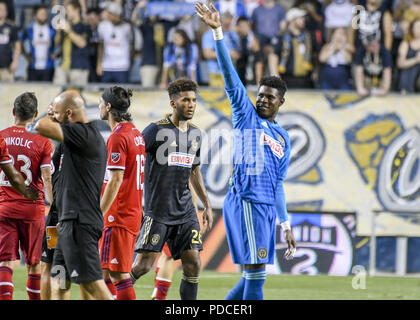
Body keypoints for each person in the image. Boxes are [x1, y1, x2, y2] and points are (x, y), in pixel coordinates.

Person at [195, 2, 296, 300]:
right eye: (260, 95)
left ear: (280, 102)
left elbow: (278, 184)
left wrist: (285, 223)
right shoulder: (245, 115)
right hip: (247, 200)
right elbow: (230, 77)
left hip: (266, 206)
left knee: (252, 277)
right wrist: (218, 33)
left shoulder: (283, 137)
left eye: (270, 98)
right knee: (257, 276)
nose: (263, 100)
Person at [130, 78, 214, 300]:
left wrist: (206, 204)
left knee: (193, 263)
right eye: (185, 100)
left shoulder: (196, 134)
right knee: (143, 265)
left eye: (194, 100)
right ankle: (111, 294)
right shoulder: (154, 130)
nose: (191, 104)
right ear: (173, 103)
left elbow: (194, 170)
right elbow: (133, 161)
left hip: (185, 211)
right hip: (158, 211)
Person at [34, 90, 113, 300]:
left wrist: (50, 115)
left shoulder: (83, 133)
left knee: (92, 284)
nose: (55, 118)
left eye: (58, 114)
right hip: (67, 222)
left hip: (80, 223)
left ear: (69, 113)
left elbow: (40, 126)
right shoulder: (80, 138)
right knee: (61, 282)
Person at [0, 92, 53, 300]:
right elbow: (47, 177)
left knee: (5, 263)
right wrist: (54, 203)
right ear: (36, 114)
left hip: (5, 207)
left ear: (13, 112)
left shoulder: (2, 136)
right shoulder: (43, 142)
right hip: (33, 210)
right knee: (34, 264)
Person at [98, 86, 146, 300]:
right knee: (106, 270)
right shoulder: (135, 133)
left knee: (117, 273)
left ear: (108, 106)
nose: (99, 106)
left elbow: (116, 179)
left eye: (101, 102)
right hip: (132, 211)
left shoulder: (118, 137)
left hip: (117, 214)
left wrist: (99, 213)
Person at [268, 7, 314, 88]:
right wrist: (275, 75)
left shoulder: (308, 36)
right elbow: (273, 55)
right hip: (286, 79)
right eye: (300, 18)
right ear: (292, 20)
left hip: (306, 80)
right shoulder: (281, 36)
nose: (303, 20)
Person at [53, 0, 91, 86]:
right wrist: (58, 32)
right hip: (63, 66)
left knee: (77, 96)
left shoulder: (85, 26)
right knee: (58, 95)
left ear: (77, 10)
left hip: (79, 68)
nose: (66, 13)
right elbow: (56, 42)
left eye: (68, 10)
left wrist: (69, 31)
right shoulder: (66, 24)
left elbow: (82, 44)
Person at [97, 2, 134, 84]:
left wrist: (130, 62)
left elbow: (132, 46)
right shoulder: (102, 26)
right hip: (107, 66)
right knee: (105, 94)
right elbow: (101, 46)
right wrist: (99, 64)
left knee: (122, 94)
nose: (108, 15)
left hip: (122, 67)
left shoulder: (127, 27)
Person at [20, 5, 56, 82]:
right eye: (41, 14)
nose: (44, 16)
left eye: (45, 14)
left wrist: (58, 54)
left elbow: (61, 42)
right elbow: (19, 41)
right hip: (33, 67)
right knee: (32, 91)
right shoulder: (29, 29)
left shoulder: (52, 29)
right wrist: (25, 54)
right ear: (35, 16)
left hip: (48, 68)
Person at [398, 18, 420, 93]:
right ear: (412, 29)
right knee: (410, 69)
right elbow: (400, 63)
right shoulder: (406, 43)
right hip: (408, 78)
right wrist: (416, 60)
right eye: (417, 27)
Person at [0, 1, 20, 82]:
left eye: (4, 10)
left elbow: (17, 45)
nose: (2, 11)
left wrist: (15, 61)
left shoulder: (11, 27)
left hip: (7, 68)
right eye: (0, 9)